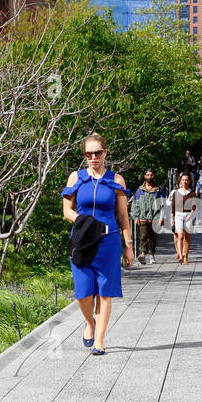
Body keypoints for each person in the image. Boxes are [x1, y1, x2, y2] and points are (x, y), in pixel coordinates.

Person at [62, 134, 133, 355]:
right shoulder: (76, 177)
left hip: (108, 242)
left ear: (105, 153)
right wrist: (84, 222)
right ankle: (90, 323)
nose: (93, 157)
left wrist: (128, 245)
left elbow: (123, 216)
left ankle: (100, 340)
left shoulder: (117, 180)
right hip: (82, 241)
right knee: (82, 293)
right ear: (85, 155)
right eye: (89, 154)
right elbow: (67, 210)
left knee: (105, 292)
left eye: (98, 153)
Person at [130, 169, 163, 265]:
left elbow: (162, 204)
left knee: (152, 237)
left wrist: (161, 217)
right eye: (148, 175)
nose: (149, 177)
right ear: (145, 176)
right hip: (142, 216)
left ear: (153, 176)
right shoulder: (140, 190)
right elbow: (135, 204)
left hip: (154, 217)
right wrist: (135, 216)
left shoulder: (158, 190)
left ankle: (152, 255)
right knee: (143, 236)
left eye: (151, 175)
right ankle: (143, 255)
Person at [171, 172, 195, 265]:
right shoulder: (176, 192)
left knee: (187, 237)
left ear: (189, 181)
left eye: (186, 180)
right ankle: (180, 255)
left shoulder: (192, 193)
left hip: (188, 214)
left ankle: (186, 255)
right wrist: (172, 218)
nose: (185, 182)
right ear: (180, 181)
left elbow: (194, 205)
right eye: (183, 180)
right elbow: (173, 206)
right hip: (178, 215)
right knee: (180, 236)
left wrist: (191, 214)